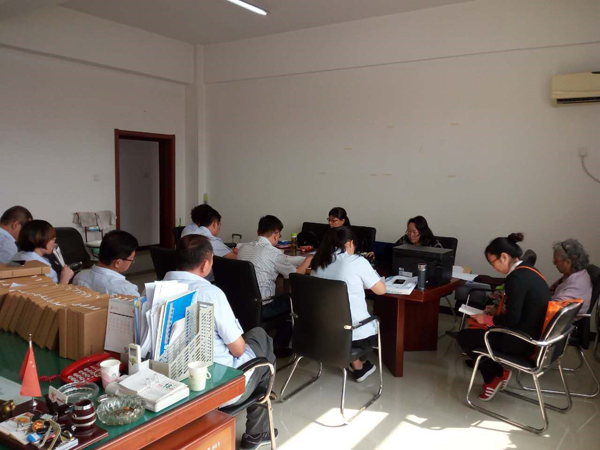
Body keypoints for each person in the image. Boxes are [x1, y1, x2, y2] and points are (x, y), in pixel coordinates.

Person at [163, 235, 277, 449]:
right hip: (217, 388)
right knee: (262, 340)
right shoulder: (210, 293)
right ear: (205, 264)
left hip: (171, 384)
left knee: (252, 337)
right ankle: (256, 432)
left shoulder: (155, 289)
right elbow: (238, 350)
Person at [457, 233, 550, 401]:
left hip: (521, 341)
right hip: (534, 337)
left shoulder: (516, 278)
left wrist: (486, 319)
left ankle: (493, 377)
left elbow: (512, 319)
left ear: (504, 257)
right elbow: (519, 309)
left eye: (492, 262)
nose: (493, 267)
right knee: (475, 334)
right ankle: (499, 373)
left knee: (465, 337)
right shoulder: (530, 271)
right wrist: (496, 311)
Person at [311, 227, 386, 382]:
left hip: (322, 332)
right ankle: (358, 365)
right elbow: (381, 290)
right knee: (362, 318)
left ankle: (357, 364)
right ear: (350, 243)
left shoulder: (318, 263)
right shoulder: (357, 262)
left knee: (339, 313)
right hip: (352, 334)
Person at [238, 215, 312, 348]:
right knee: (295, 301)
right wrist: (308, 260)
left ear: (258, 231)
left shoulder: (243, 248)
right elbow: (295, 274)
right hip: (263, 306)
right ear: (276, 233)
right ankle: (279, 346)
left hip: (241, 304)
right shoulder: (274, 253)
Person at [73, 230, 139, 297]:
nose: (131, 262)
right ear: (118, 263)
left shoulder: (79, 277)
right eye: (131, 259)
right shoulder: (126, 290)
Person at [11, 220, 73, 284]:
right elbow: (49, 290)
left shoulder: (17, 256)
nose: (54, 243)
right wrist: (64, 278)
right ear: (40, 239)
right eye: (53, 240)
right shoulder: (40, 267)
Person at [550, 239, 593, 313]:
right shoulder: (574, 275)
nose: (554, 263)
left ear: (568, 262)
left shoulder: (578, 285)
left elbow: (555, 308)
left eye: (556, 260)